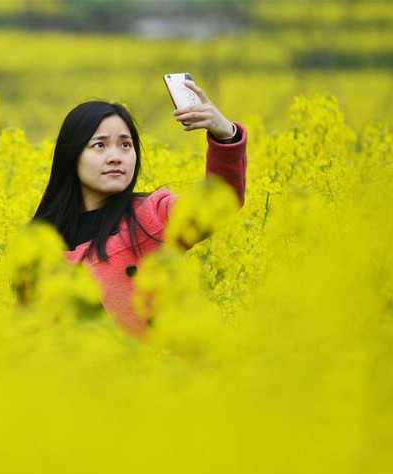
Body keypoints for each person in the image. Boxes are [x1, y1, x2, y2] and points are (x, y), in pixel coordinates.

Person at [31, 80, 247, 335]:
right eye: (99, 145)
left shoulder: (151, 217)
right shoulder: (41, 243)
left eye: (125, 145)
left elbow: (219, 202)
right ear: (72, 157)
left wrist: (226, 135)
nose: (116, 156)